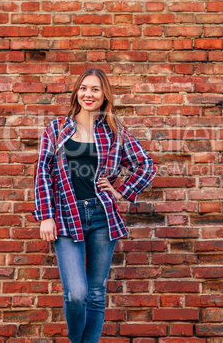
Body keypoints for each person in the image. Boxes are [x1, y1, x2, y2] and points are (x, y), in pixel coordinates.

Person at [33, 68, 156, 343]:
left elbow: (146, 166)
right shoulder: (56, 130)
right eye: (84, 88)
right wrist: (45, 216)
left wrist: (120, 190)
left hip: (102, 217)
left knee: (96, 293)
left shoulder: (114, 132)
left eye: (96, 89)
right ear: (77, 92)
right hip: (66, 216)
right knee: (76, 293)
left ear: (104, 96)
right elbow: (42, 172)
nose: (89, 94)